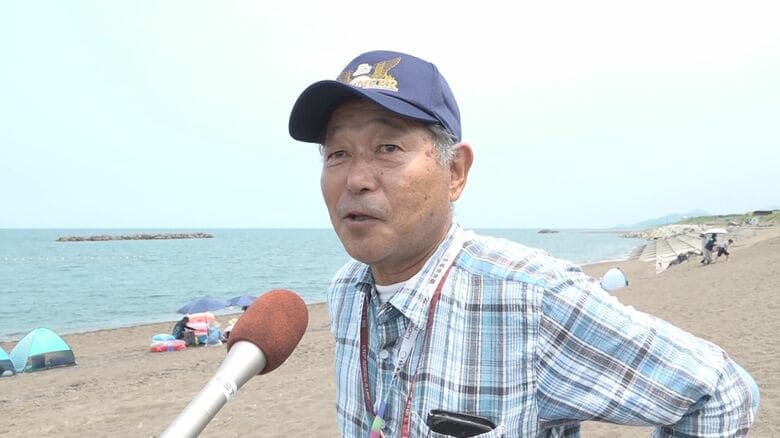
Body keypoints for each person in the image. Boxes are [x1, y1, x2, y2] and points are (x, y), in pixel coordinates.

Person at [288, 50, 759, 437]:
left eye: (387, 148)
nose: (356, 179)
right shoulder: (345, 291)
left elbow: (720, 392)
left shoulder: (531, 297)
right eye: (338, 153)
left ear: (455, 172)